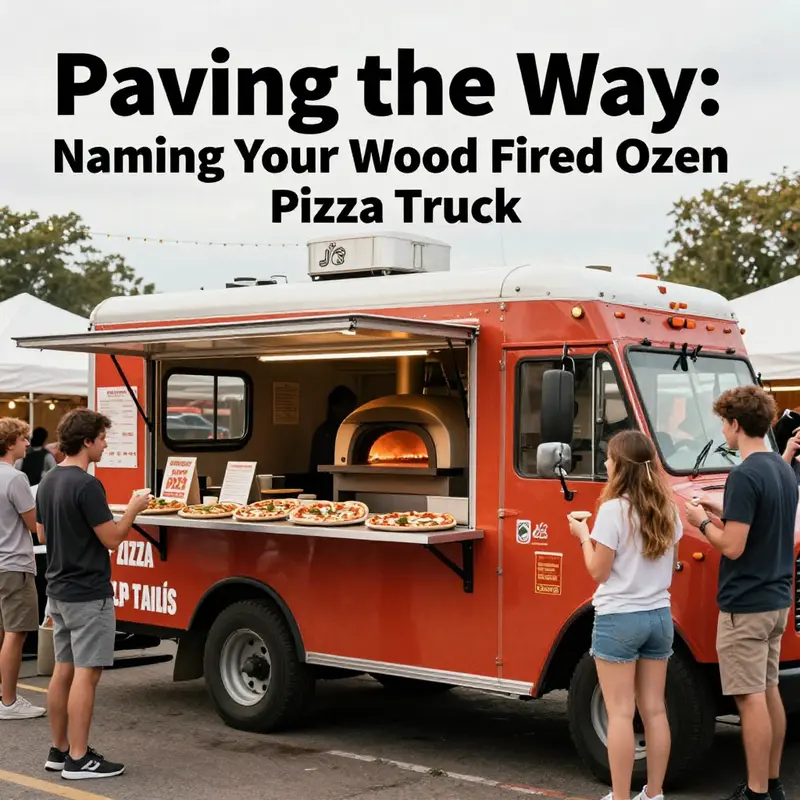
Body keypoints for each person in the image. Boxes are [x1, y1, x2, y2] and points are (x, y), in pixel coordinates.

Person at [685, 385, 797, 800]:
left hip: (746, 605)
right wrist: (722, 510)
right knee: (769, 692)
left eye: (723, 423)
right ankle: (772, 784)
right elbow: (765, 520)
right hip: (777, 600)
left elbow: (733, 546)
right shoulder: (782, 469)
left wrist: (700, 521)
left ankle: (755, 792)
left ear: (735, 424)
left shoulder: (744, 475)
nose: (722, 431)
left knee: (750, 701)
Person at [36, 409, 151, 780]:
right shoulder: (87, 485)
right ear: (86, 441)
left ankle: (59, 750)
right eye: (102, 438)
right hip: (88, 592)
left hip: (58, 589)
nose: (106, 445)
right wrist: (133, 509)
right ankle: (80, 758)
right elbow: (112, 539)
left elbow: (42, 534)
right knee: (87, 674)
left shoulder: (49, 480)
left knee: (63, 671)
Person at [568, 430, 682, 800]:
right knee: (655, 711)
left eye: (609, 458)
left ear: (621, 466)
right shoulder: (668, 508)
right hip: (659, 617)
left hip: (619, 618)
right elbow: (672, 564)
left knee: (619, 713)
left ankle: (620, 798)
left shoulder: (613, 510)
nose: (605, 462)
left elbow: (598, 571)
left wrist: (582, 535)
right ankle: (653, 795)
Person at [0, 418, 46, 720]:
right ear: (10, 443)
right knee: (15, 634)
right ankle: (9, 702)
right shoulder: (15, 478)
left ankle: (3, 697)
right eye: (22, 438)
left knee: (3, 633)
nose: (27, 443)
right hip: (14, 563)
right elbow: (34, 525)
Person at [307, 385, 357, 498]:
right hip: (326, 487)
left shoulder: (347, 430)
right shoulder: (326, 433)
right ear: (335, 408)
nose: (351, 411)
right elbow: (322, 465)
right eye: (348, 407)